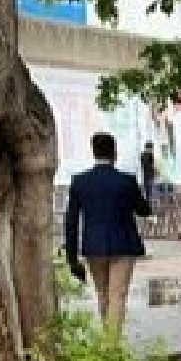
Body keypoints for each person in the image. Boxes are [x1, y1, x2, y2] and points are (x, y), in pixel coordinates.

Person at [66, 132, 151, 335]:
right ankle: (112, 349)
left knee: (103, 295)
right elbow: (144, 210)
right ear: (115, 152)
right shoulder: (126, 181)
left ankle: (108, 346)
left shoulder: (80, 182)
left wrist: (72, 258)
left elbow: (71, 221)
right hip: (123, 245)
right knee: (118, 296)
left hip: (94, 246)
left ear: (93, 151)